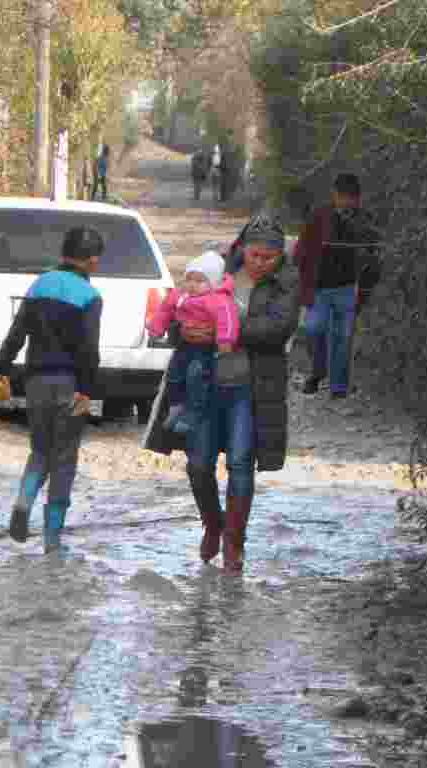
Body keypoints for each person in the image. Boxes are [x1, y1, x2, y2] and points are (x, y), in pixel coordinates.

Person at [143, 213, 299, 573]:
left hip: (250, 388)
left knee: (242, 463)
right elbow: (180, 312)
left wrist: (223, 330)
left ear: (280, 257)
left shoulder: (286, 283)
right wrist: (184, 332)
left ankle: (234, 542)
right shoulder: (213, 271)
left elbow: (277, 329)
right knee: (198, 465)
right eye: (254, 255)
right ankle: (212, 523)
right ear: (241, 248)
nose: (259, 263)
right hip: (204, 385)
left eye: (268, 257)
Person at [0, 226, 104, 552]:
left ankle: (23, 504)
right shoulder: (90, 296)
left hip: (36, 382)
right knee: (65, 458)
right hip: (69, 384)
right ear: (92, 261)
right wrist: (87, 389)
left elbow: (16, 334)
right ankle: (53, 538)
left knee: (40, 450)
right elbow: (88, 349)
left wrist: (2, 369)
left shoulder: (38, 285)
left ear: (63, 254)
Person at [294, 172, 381, 399]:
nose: (346, 202)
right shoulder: (319, 215)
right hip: (319, 287)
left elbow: (373, 256)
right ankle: (317, 371)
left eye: (351, 198)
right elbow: (301, 249)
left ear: (358, 198)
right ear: (334, 195)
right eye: (342, 197)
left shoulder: (365, 220)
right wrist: (301, 277)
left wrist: (365, 290)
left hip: (347, 288)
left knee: (342, 337)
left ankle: (339, 387)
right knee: (314, 328)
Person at [145, 250, 238, 435]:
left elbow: (227, 320)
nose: (193, 285)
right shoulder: (180, 296)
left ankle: (192, 413)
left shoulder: (219, 300)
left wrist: (225, 341)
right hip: (185, 342)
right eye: (190, 279)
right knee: (174, 373)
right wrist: (156, 328)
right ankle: (175, 406)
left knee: (196, 376)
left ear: (212, 282)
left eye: (200, 281)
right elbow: (165, 310)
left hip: (206, 347)